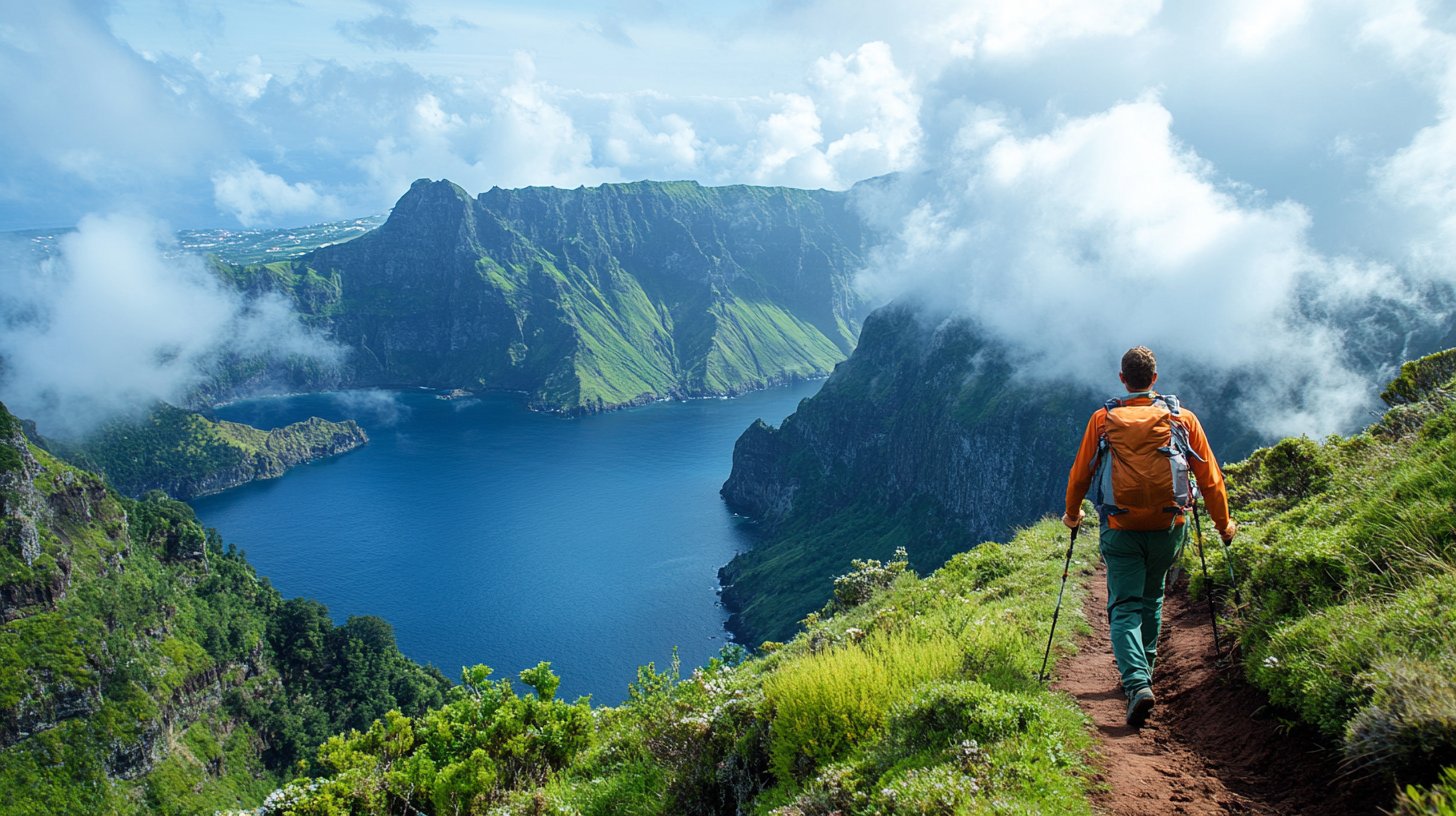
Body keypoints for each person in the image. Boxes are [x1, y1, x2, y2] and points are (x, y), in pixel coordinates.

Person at [1062, 346, 1236, 728]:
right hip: (1168, 527)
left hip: (1121, 529)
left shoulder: (1103, 420)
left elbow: (1080, 474)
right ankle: (1146, 672)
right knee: (1152, 595)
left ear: (1122, 379)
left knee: (1124, 606)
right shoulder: (1182, 419)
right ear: (1154, 379)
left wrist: (1072, 515)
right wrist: (1224, 525)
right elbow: (1210, 479)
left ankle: (1137, 682)